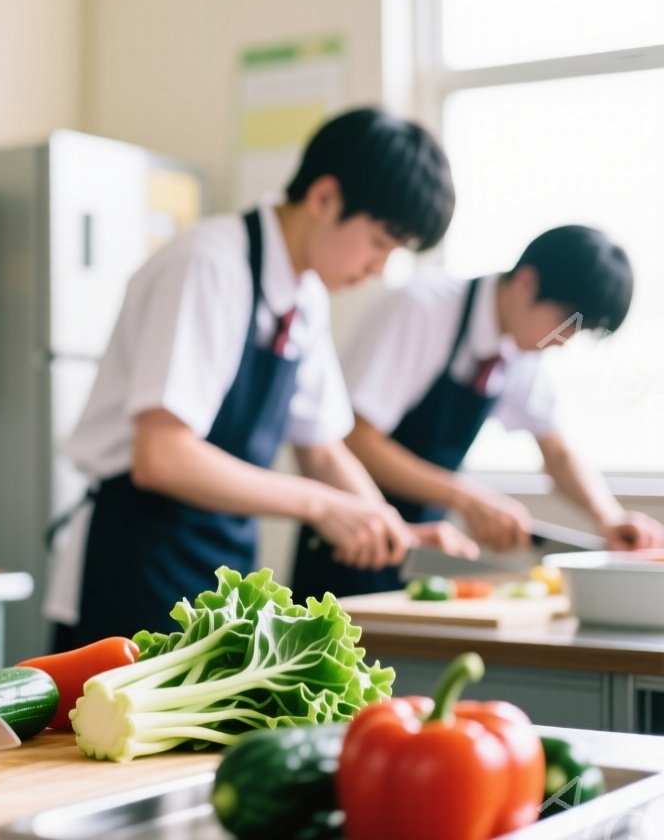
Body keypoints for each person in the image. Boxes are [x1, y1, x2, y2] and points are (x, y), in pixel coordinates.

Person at [45, 108, 479, 648]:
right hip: (134, 556)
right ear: (324, 199)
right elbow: (163, 456)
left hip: (218, 569)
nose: (380, 267)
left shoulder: (305, 296)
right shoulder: (210, 265)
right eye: (380, 242)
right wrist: (322, 506)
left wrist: (390, 526)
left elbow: (321, 449)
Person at [293, 225, 664, 599]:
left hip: (424, 550)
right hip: (346, 544)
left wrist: (610, 518)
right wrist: (467, 498)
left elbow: (557, 452)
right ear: (526, 283)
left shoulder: (523, 350)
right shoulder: (423, 309)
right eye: (568, 324)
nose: (563, 342)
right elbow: (355, 439)